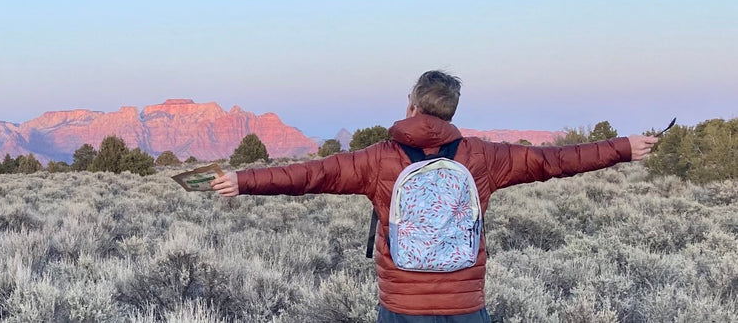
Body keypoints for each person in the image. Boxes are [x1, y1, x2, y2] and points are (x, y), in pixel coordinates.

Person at [210, 70, 658, 322]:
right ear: (450, 110)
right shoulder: (483, 156)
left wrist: (242, 180)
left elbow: (308, 175)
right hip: (465, 305)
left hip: (403, 307)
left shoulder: (378, 159)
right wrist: (623, 148)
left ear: (411, 105)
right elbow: (556, 160)